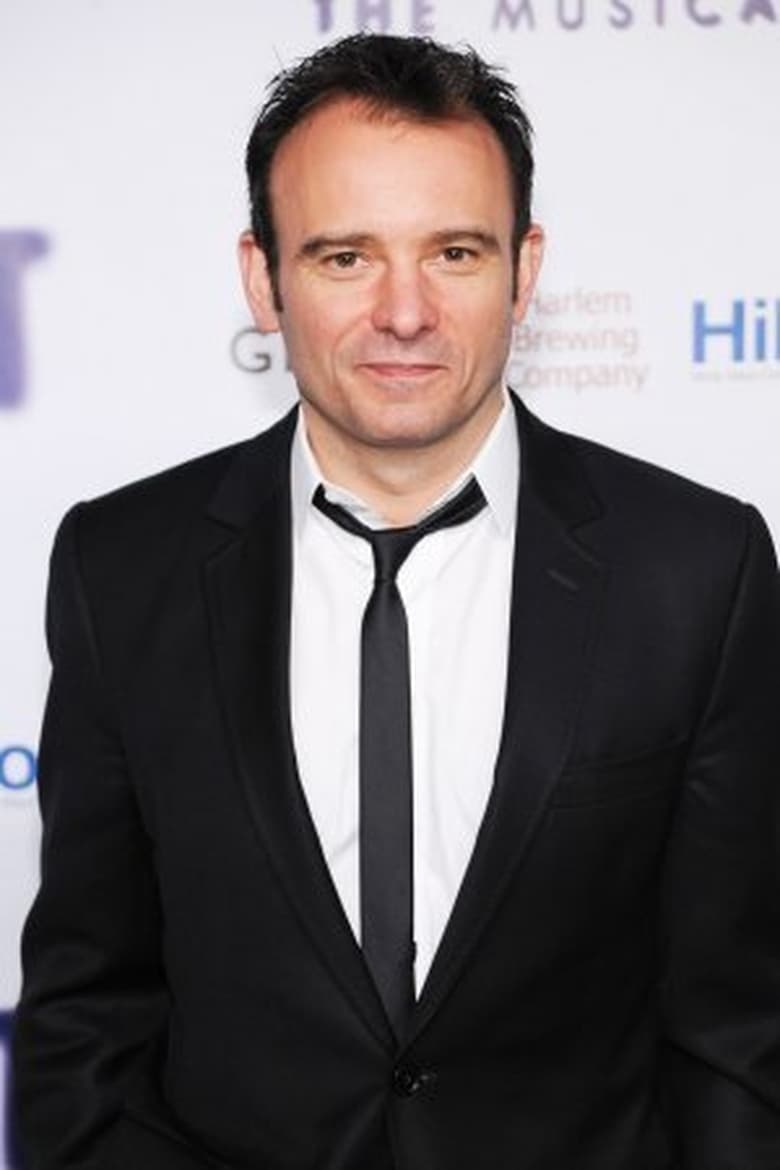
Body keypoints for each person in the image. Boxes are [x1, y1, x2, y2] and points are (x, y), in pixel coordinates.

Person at [13, 32, 780, 1170]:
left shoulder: (698, 569)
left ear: (524, 270)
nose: (405, 312)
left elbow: (735, 1033)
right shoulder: (121, 569)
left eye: (455, 252)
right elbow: (87, 1010)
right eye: (345, 257)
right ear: (263, 279)